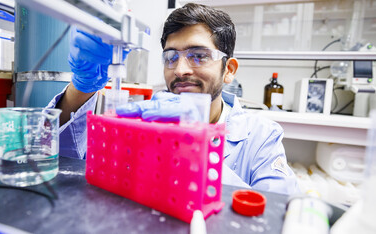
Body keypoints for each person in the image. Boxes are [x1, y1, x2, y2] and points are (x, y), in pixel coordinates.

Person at [47, 3, 299, 195]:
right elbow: (67, 163)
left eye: (198, 56)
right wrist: (82, 87)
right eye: (171, 57)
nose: (180, 70)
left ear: (229, 70)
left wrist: (192, 149)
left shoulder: (261, 137)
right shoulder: (143, 119)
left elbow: (277, 214)